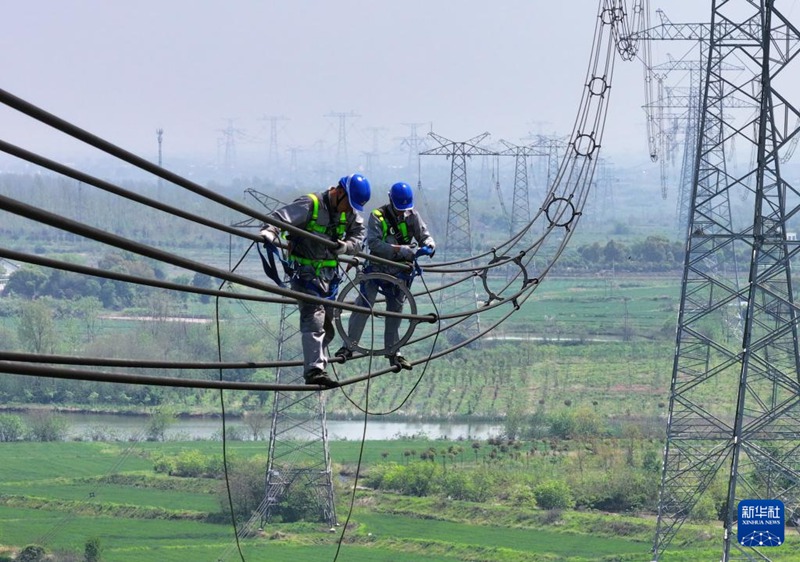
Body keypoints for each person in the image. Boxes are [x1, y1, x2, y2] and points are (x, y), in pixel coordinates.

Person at [260, 174, 371, 387]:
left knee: (327, 327)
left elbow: (359, 238)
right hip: (305, 274)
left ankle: (316, 363)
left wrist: (346, 247)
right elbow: (278, 218)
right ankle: (314, 370)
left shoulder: (351, 213)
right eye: (349, 203)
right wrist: (270, 232)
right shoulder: (310, 204)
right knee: (314, 319)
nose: (350, 209)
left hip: (329, 279)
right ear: (339, 192)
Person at [335, 181, 435, 370]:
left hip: (399, 273)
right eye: (399, 209)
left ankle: (394, 351)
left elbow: (424, 235)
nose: (401, 213)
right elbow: (374, 244)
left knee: (394, 311)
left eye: (403, 209)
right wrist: (402, 250)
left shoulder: (412, 216)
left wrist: (429, 244)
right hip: (376, 268)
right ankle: (348, 347)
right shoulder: (377, 217)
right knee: (364, 306)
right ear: (391, 201)